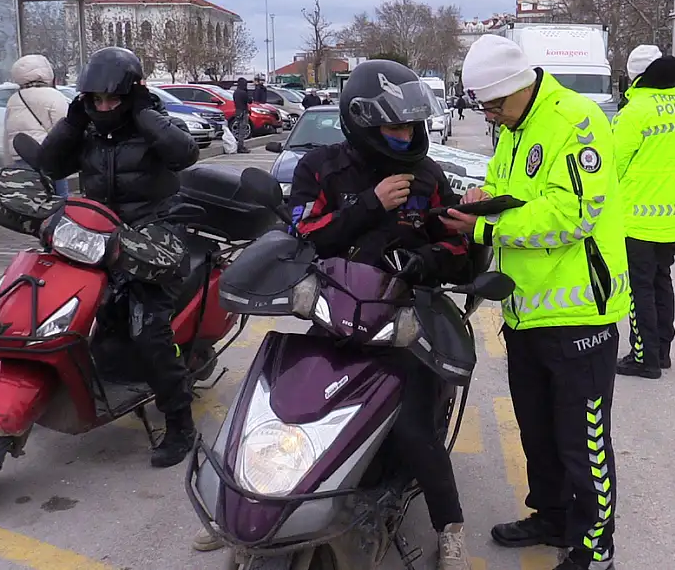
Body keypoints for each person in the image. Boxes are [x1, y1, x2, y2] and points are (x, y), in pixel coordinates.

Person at [194, 60, 474, 569]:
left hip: (401, 319)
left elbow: (454, 246)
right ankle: (241, 503)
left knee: (415, 429)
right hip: (330, 312)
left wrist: (440, 250)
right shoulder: (320, 168)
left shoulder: (428, 178)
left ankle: (449, 526)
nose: (407, 134)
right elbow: (304, 235)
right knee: (275, 404)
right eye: (395, 126)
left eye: (412, 125)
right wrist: (369, 204)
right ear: (363, 124)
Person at [441, 34, 630, 570]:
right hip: (526, 309)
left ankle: (595, 547)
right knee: (538, 432)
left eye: (494, 105)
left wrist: (484, 228)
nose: (490, 115)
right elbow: (508, 187)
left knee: (583, 439)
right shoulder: (514, 128)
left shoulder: (577, 120)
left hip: (578, 315)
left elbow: (574, 215)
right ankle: (551, 516)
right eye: (485, 108)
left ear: (518, 86)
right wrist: (481, 198)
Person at [37, 47, 200, 468]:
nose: (104, 108)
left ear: (132, 95)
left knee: (149, 329)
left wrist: (146, 115)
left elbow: (184, 153)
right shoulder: (87, 130)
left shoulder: (155, 122)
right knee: (58, 304)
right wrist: (72, 122)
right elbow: (49, 164)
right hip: (99, 234)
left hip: (155, 235)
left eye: (113, 100)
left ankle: (180, 423)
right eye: (96, 101)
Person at [607, 45, 675, 380]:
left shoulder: (636, 111)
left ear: (636, 76)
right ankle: (662, 351)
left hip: (637, 215)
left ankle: (644, 356)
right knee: (662, 280)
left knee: (638, 288)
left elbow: (612, 165)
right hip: (673, 215)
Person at [3, 54, 72, 196]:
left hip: (20, 161)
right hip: (48, 161)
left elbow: (7, 135)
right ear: (46, 72)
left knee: (30, 204)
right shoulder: (53, 96)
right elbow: (65, 131)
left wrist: (8, 162)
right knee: (58, 203)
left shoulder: (13, 99)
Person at [232, 76, 252, 150]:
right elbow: (249, 101)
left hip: (237, 111)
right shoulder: (243, 93)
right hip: (243, 111)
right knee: (242, 130)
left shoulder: (235, 92)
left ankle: (239, 145)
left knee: (239, 129)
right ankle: (240, 146)